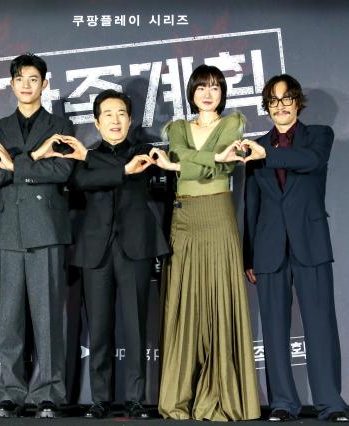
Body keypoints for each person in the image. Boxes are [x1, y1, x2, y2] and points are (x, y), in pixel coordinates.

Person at [151, 64, 260, 421]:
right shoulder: (177, 128)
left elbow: (222, 169)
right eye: (201, 88)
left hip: (218, 213)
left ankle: (220, 395)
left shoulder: (233, 124)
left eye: (215, 87)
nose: (208, 93)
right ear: (191, 93)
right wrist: (205, 159)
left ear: (223, 92)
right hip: (183, 217)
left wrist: (180, 165)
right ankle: (179, 397)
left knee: (219, 301)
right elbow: (185, 157)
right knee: (185, 305)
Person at [241, 74, 349, 422]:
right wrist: (248, 255)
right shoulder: (255, 146)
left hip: (310, 243)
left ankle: (331, 404)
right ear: (267, 106)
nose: (281, 106)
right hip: (269, 247)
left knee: (320, 325)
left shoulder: (318, 136)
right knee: (273, 329)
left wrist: (265, 153)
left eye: (287, 99)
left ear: (298, 102)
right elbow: (251, 203)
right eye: (273, 100)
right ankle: (283, 403)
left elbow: (310, 162)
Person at [60, 90, 169, 419]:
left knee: (136, 328)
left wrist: (101, 162)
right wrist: (120, 170)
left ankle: (136, 398)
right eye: (108, 114)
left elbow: (138, 168)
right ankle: (100, 399)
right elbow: (83, 180)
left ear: (131, 119)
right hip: (95, 251)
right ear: (96, 122)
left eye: (121, 113)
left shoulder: (144, 152)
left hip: (135, 247)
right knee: (100, 329)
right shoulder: (84, 159)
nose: (115, 120)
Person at [0, 53, 74, 419]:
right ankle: (10, 392)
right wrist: (34, 159)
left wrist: (14, 164)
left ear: (45, 84)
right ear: (10, 84)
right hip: (6, 231)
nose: (25, 85)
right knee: (10, 319)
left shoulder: (60, 124)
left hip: (47, 230)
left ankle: (48, 393)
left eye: (33, 79)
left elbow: (63, 170)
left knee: (48, 316)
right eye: (19, 78)